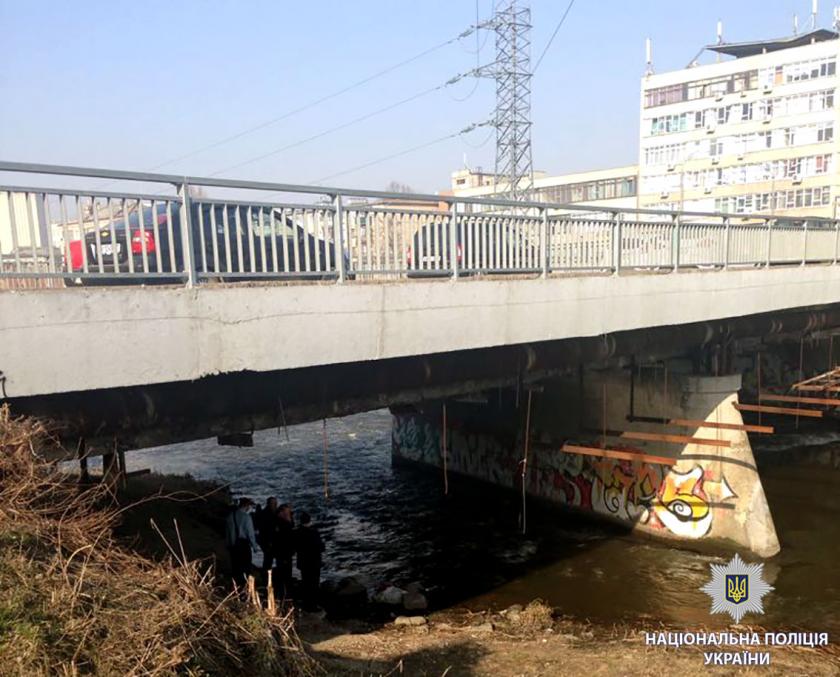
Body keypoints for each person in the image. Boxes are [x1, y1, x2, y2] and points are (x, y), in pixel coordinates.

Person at [225, 497, 259, 587]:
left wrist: (228, 544)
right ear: (247, 506)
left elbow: (227, 532)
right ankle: (246, 586)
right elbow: (250, 533)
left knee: (235, 567)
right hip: (243, 545)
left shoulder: (230, 516)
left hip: (233, 545)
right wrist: (255, 547)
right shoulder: (246, 517)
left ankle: (235, 586)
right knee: (246, 567)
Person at [295, 511, 325, 611]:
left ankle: (306, 603)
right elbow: (320, 547)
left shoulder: (298, 532)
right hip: (314, 562)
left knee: (305, 582)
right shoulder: (314, 532)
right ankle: (312, 606)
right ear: (310, 520)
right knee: (314, 584)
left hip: (303, 562)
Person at [274, 503, 295, 598]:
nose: (288, 514)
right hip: (284, 553)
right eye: (287, 512)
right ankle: (285, 594)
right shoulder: (282, 524)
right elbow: (285, 539)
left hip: (283, 553)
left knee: (284, 573)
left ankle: (283, 592)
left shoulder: (281, 522)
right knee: (285, 574)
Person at [255, 497, 279, 575]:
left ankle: (266, 574)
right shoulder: (268, 514)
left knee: (268, 559)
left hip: (266, 540)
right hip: (268, 540)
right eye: (274, 503)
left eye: (275, 503)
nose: (275, 505)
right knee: (269, 559)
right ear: (269, 504)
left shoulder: (267, 513)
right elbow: (266, 529)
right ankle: (266, 575)